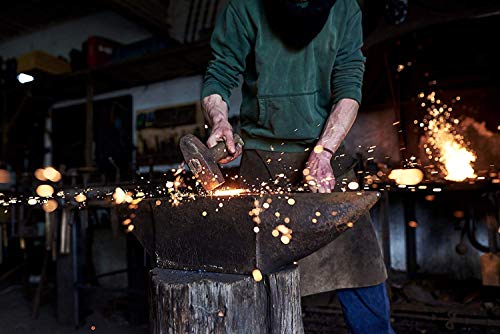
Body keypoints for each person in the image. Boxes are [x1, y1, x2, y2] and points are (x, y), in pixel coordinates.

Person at [201, 0, 395, 332]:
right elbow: (219, 74)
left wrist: (323, 151)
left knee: (361, 269)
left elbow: (349, 85)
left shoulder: (345, 8)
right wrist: (219, 121)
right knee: (259, 283)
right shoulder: (244, 7)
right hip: (263, 163)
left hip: (326, 161)